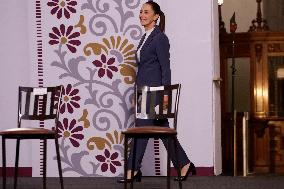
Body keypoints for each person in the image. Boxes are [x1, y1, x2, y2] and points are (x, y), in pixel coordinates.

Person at [117, 1, 196, 183]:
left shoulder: (160, 38)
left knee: (142, 130)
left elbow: (165, 69)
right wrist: (136, 94)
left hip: (154, 93)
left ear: (156, 16)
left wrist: (165, 95)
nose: (142, 15)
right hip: (143, 92)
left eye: (146, 12)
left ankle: (132, 170)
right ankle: (184, 163)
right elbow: (144, 70)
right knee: (162, 130)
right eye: (141, 12)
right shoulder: (145, 38)